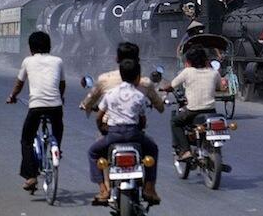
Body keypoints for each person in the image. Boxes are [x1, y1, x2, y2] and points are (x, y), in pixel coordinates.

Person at [87, 58, 161, 205]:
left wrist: (103, 128)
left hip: (113, 135)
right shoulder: (139, 96)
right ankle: (149, 187)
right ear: (138, 77)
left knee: (93, 152)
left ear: (121, 74)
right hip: (134, 134)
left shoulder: (111, 94)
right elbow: (142, 120)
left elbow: (99, 117)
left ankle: (103, 189)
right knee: (153, 149)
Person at [6, 31, 66, 192]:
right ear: (49, 46)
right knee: (58, 127)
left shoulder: (28, 61)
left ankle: (31, 176)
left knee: (26, 139)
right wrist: (60, 97)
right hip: (55, 106)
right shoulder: (58, 61)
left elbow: (19, 84)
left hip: (36, 106)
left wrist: (12, 96)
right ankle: (57, 149)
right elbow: (61, 85)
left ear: (31, 48)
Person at [79, 42, 164, 129]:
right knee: (150, 143)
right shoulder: (146, 83)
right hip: (135, 130)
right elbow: (160, 107)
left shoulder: (104, 79)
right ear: (138, 60)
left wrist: (84, 105)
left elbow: (90, 101)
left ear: (117, 59)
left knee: (99, 142)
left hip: (110, 129)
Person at [161, 45, 223, 161]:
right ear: (206, 60)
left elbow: (172, 85)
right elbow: (220, 87)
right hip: (211, 111)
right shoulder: (214, 73)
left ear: (188, 61)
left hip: (193, 111)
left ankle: (186, 150)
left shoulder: (187, 72)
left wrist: (164, 89)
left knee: (175, 122)